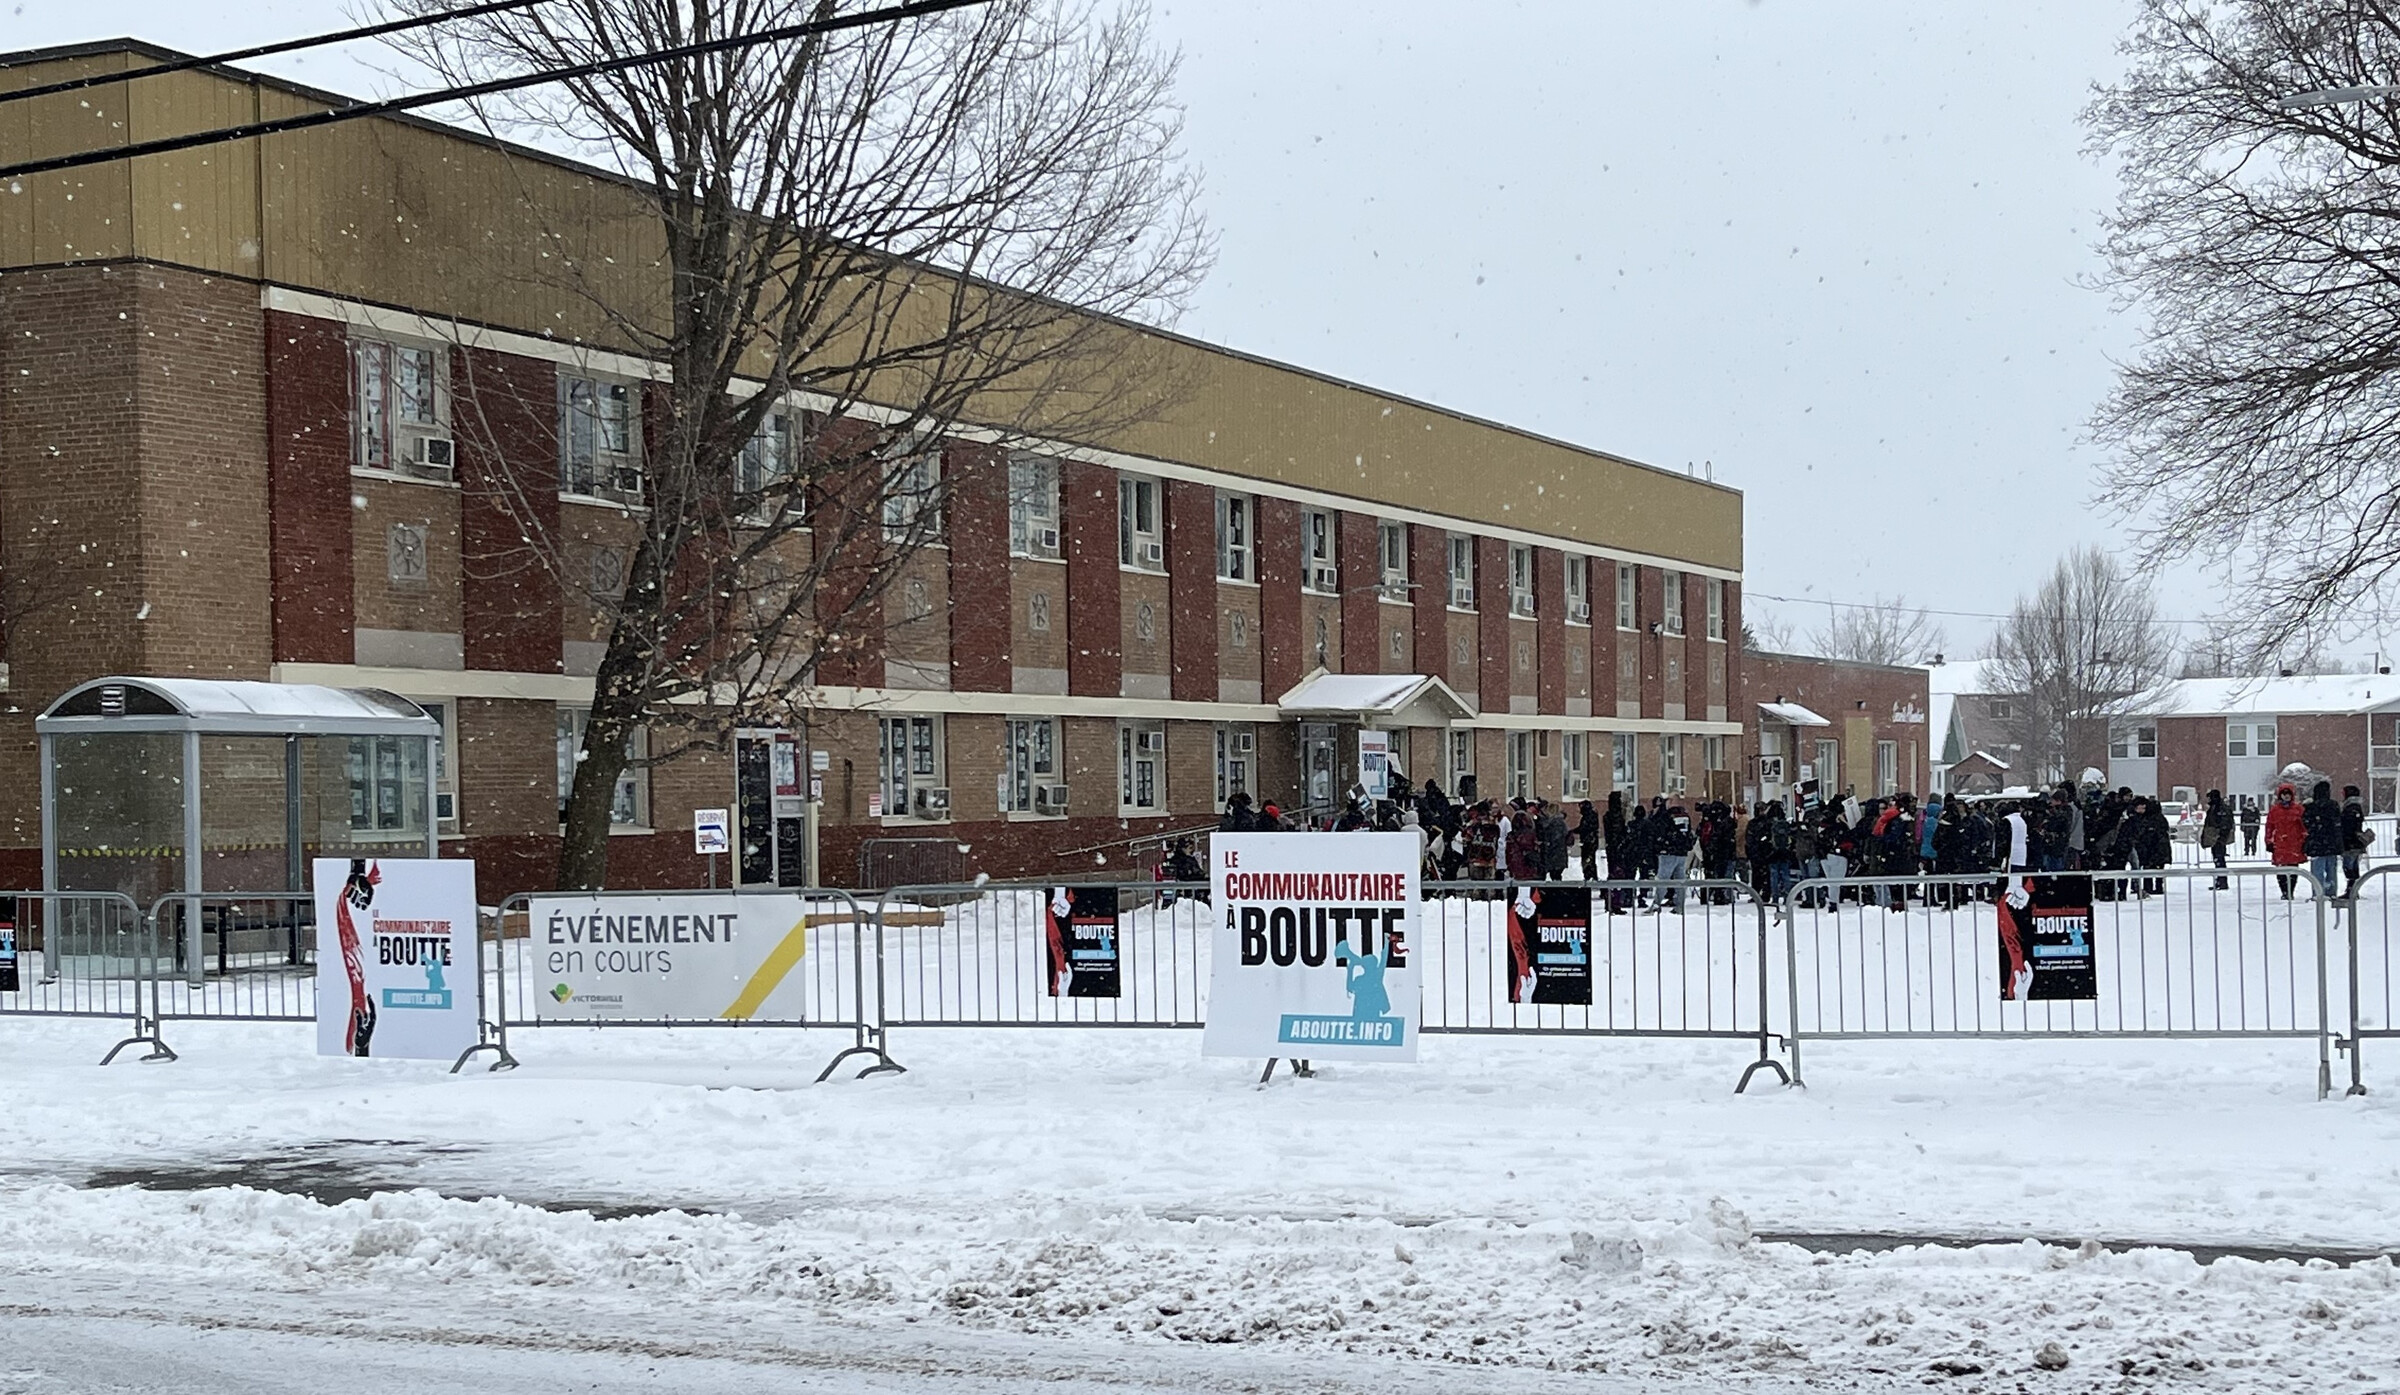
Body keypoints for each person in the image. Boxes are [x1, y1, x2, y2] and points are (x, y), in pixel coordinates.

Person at [2302, 780, 2345, 900]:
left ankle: (2318, 892)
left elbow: (2306, 823)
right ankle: (2331, 892)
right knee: (2331, 870)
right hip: (2331, 843)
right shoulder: (2333, 805)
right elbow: (2338, 823)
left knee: (2317, 870)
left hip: (2316, 842)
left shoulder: (2311, 807)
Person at [2265, 782, 2306, 900]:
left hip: (2294, 843)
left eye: (2288, 794)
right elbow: (2269, 826)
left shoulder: (2298, 809)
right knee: (2281, 869)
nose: (2286, 796)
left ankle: (2290, 891)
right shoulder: (2275, 810)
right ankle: (2284, 891)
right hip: (2280, 843)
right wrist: (2268, 841)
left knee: (2293, 868)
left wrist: (2304, 839)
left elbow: (2304, 827)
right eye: (2284, 794)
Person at [1654, 804, 1696, 912]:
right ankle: (1679, 905)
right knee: (1680, 881)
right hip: (1682, 852)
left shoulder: (1667, 815)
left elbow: (1661, 831)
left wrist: (1660, 845)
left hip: (1668, 852)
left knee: (1663, 879)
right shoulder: (1685, 816)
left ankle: (1656, 904)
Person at [2343, 785, 2372, 899]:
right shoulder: (2357, 808)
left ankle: (2351, 889)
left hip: (2350, 842)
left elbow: (2348, 827)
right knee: (2353, 866)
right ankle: (2353, 889)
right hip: (2356, 842)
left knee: (2349, 867)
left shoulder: (2349, 809)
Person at [2201, 789, 2233, 891]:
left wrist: (2220, 837)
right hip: (2216, 838)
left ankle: (2222, 881)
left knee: (2220, 860)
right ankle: (2219, 880)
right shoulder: (2214, 808)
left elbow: (2224, 824)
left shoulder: (2219, 808)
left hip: (2218, 838)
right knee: (2218, 860)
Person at [1537, 800, 1571, 882]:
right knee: (1555, 876)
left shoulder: (1555, 823)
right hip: (1558, 855)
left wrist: (1545, 844)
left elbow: (1554, 839)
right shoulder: (1558, 823)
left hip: (1554, 855)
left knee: (1555, 875)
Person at [1575, 799, 1601, 882]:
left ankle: (1590, 875)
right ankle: (1590, 874)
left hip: (1589, 842)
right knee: (1589, 859)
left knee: (1588, 859)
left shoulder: (1589, 816)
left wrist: (1574, 831)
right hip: (1590, 841)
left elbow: (1584, 828)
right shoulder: (1589, 816)